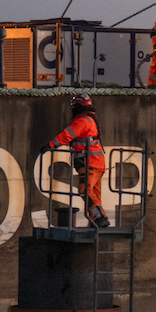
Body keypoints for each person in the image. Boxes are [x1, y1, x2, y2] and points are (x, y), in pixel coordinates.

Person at [43, 94, 108, 227]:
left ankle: (99, 217)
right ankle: (97, 219)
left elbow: (68, 134)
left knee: (84, 191)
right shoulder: (91, 121)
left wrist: (50, 145)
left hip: (88, 163)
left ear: (78, 107)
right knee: (94, 194)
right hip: (97, 163)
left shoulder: (82, 121)